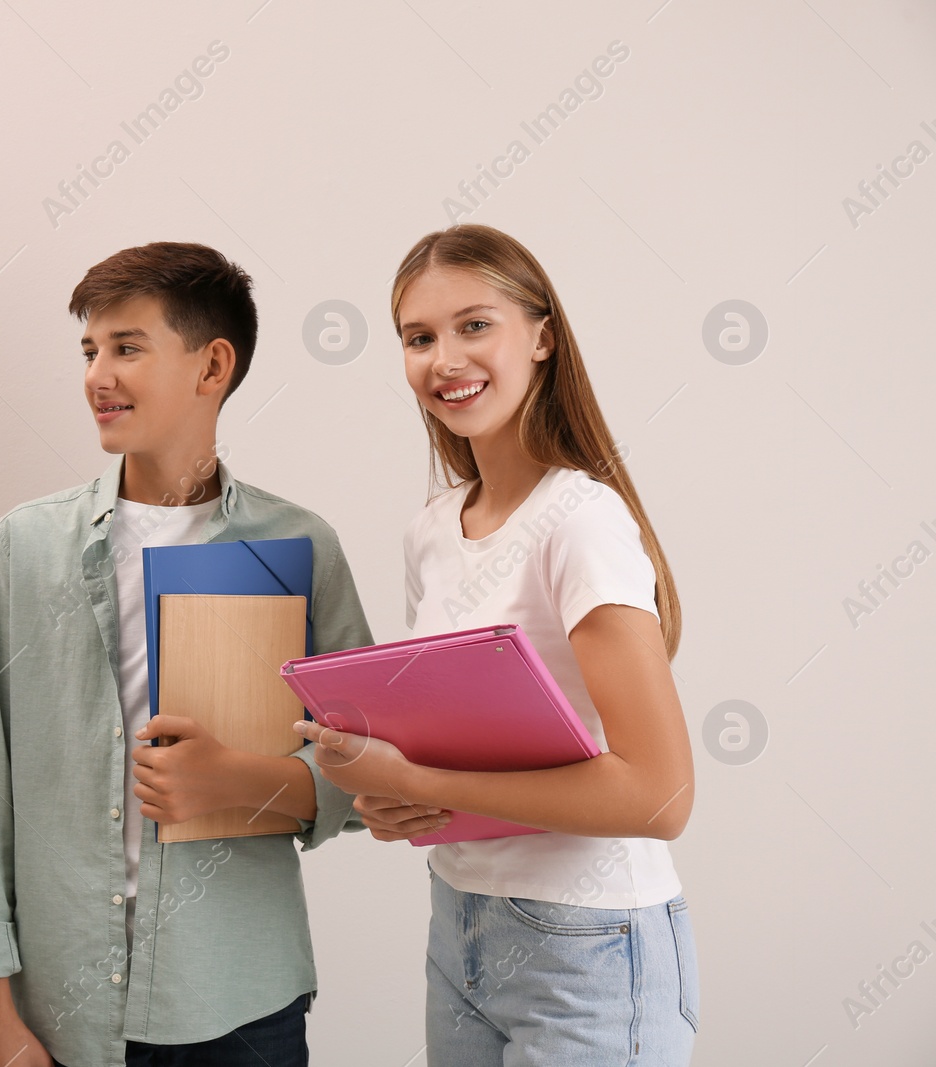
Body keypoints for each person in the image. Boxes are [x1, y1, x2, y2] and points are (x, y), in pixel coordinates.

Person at [0, 242, 372, 1067]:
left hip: (242, 1003)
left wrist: (242, 780)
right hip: (59, 1005)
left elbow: (365, 774)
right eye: (89, 350)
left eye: (127, 347)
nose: (98, 374)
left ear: (213, 365)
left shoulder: (297, 545)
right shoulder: (24, 545)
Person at [299, 224, 699, 1064]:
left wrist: (416, 779)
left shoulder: (581, 521)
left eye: (474, 325)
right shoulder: (434, 530)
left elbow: (661, 796)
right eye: (419, 337)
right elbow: (459, 759)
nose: (444, 357)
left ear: (542, 336)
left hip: (590, 944)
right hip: (461, 926)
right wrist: (387, 800)